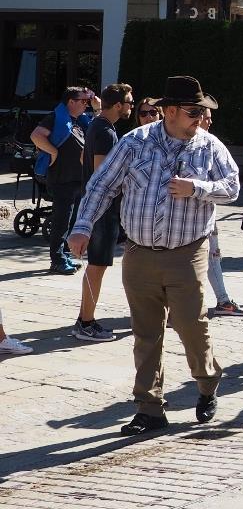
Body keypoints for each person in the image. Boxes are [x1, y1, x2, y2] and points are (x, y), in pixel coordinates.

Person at [66, 75, 238, 436]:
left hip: (187, 253)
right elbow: (102, 185)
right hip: (139, 253)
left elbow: (233, 187)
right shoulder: (135, 143)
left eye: (202, 112)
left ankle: (207, 381)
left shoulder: (209, 146)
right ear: (170, 111)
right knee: (146, 333)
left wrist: (198, 188)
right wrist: (82, 226)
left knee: (192, 325)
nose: (200, 119)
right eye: (194, 112)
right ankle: (149, 408)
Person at [72, 83, 135, 341]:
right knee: (96, 267)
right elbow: (103, 175)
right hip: (102, 210)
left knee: (97, 267)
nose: (131, 106)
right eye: (129, 102)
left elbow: (83, 161)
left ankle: (85, 320)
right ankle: (85, 323)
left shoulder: (98, 125)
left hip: (99, 209)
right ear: (118, 105)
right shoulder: (106, 132)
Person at [31, 86, 99, 274]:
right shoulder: (55, 117)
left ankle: (65, 254)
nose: (86, 105)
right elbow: (36, 135)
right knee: (61, 221)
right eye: (83, 101)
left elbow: (98, 128)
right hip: (62, 179)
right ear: (71, 102)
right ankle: (57, 260)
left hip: (77, 179)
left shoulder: (78, 120)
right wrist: (53, 151)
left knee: (72, 220)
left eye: (87, 102)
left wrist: (96, 107)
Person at [195, 108, 243, 318]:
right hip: (189, 221)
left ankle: (223, 300)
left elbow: (230, 185)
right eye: (206, 117)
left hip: (207, 214)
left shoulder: (210, 143)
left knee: (213, 257)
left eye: (209, 117)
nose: (209, 121)